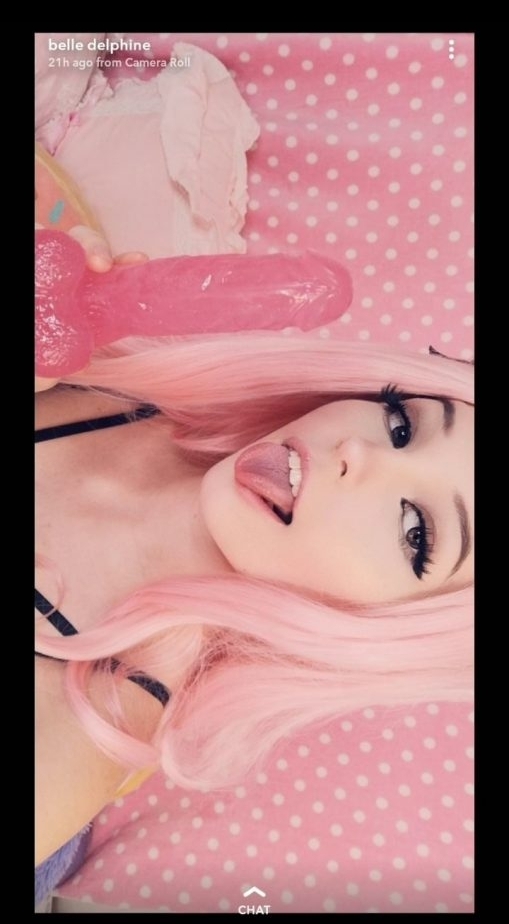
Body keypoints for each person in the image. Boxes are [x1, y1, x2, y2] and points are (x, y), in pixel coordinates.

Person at [35, 228, 473, 894]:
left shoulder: (88, 720)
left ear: (387, 626)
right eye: (401, 425)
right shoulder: (130, 376)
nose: (361, 455)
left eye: (416, 531)